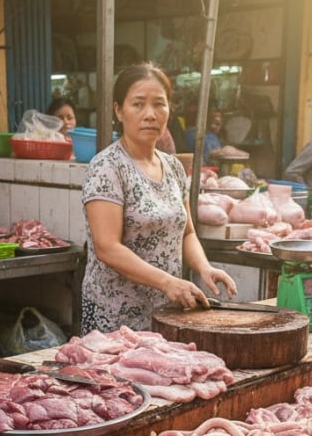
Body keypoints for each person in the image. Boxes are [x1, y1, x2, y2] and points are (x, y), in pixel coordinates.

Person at [80, 62, 236, 334]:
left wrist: (204, 267)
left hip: (166, 312)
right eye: (138, 104)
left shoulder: (174, 167)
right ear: (119, 110)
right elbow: (107, 247)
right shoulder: (107, 166)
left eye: (159, 104)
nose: (150, 114)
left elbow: (186, 232)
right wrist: (167, 282)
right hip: (116, 318)